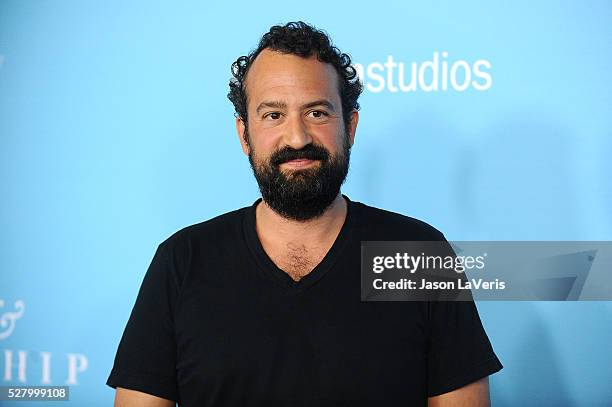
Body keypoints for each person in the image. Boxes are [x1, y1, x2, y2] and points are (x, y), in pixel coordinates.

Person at [107, 21, 502, 406]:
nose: (297, 138)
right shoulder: (182, 260)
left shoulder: (417, 254)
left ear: (350, 126)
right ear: (244, 135)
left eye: (316, 113)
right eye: (273, 115)